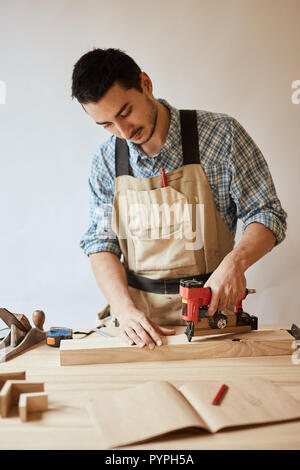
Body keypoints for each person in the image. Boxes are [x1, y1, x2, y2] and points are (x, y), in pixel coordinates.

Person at [71, 48, 287, 350]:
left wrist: (235, 263)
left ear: (146, 84)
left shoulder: (221, 136)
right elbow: (100, 243)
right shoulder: (107, 160)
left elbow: (267, 214)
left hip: (212, 323)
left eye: (125, 112)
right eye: (107, 125)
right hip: (141, 330)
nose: (123, 131)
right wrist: (124, 311)